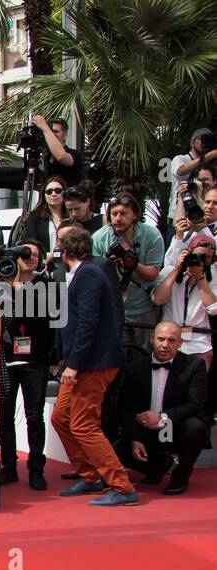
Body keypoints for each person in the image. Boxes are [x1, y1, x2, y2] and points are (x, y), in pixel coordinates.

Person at [52, 226, 137, 506]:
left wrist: (73, 365)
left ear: (64, 249)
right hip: (82, 362)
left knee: (83, 425)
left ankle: (122, 486)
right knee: (61, 418)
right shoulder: (77, 275)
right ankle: (90, 476)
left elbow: (88, 322)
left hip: (93, 363)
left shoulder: (88, 273)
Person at [111, 320, 210, 496]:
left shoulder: (194, 366)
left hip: (174, 428)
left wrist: (162, 416)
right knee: (118, 448)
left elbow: (196, 405)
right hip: (145, 430)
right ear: (152, 339)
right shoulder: (134, 368)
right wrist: (134, 439)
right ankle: (158, 467)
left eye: (172, 341)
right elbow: (126, 408)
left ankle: (181, 476)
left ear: (180, 343)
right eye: (161, 339)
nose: (165, 345)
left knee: (195, 427)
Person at [0, 241, 57, 490]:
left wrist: (55, 359)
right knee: (4, 416)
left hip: (36, 360)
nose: (28, 257)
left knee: (34, 416)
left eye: (33, 254)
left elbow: (54, 322)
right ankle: (9, 467)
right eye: (24, 253)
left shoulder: (48, 285)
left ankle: (36, 468)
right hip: (7, 359)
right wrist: (4, 283)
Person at [92, 193, 164, 351]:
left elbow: (153, 273)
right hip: (112, 309)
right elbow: (94, 277)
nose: (118, 218)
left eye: (123, 213)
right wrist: (109, 265)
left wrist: (132, 262)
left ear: (135, 215)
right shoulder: (99, 238)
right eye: (114, 213)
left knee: (144, 358)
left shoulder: (151, 235)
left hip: (143, 309)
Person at [151, 233, 215, 371]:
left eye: (207, 257)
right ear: (188, 253)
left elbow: (213, 309)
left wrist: (201, 279)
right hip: (168, 339)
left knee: (196, 387)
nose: (201, 260)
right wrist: (177, 269)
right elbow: (157, 299)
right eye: (198, 255)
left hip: (199, 343)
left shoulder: (213, 278)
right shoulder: (169, 271)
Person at [18, 174, 70, 262]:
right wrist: (54, 255)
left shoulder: (71, 216)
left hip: (70, 264)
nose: (53, 194)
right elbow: (31, 246)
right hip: (45, 265)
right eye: (49, 192)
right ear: (44, 195)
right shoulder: (35, 218)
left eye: (58, 190)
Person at [32, 115, 83, 185]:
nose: (52, 135)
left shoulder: (75, 154)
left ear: (65, 135)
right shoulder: (45, 157)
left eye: (56, 131)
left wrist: (45, 127)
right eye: (50, 132)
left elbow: (60, 156)